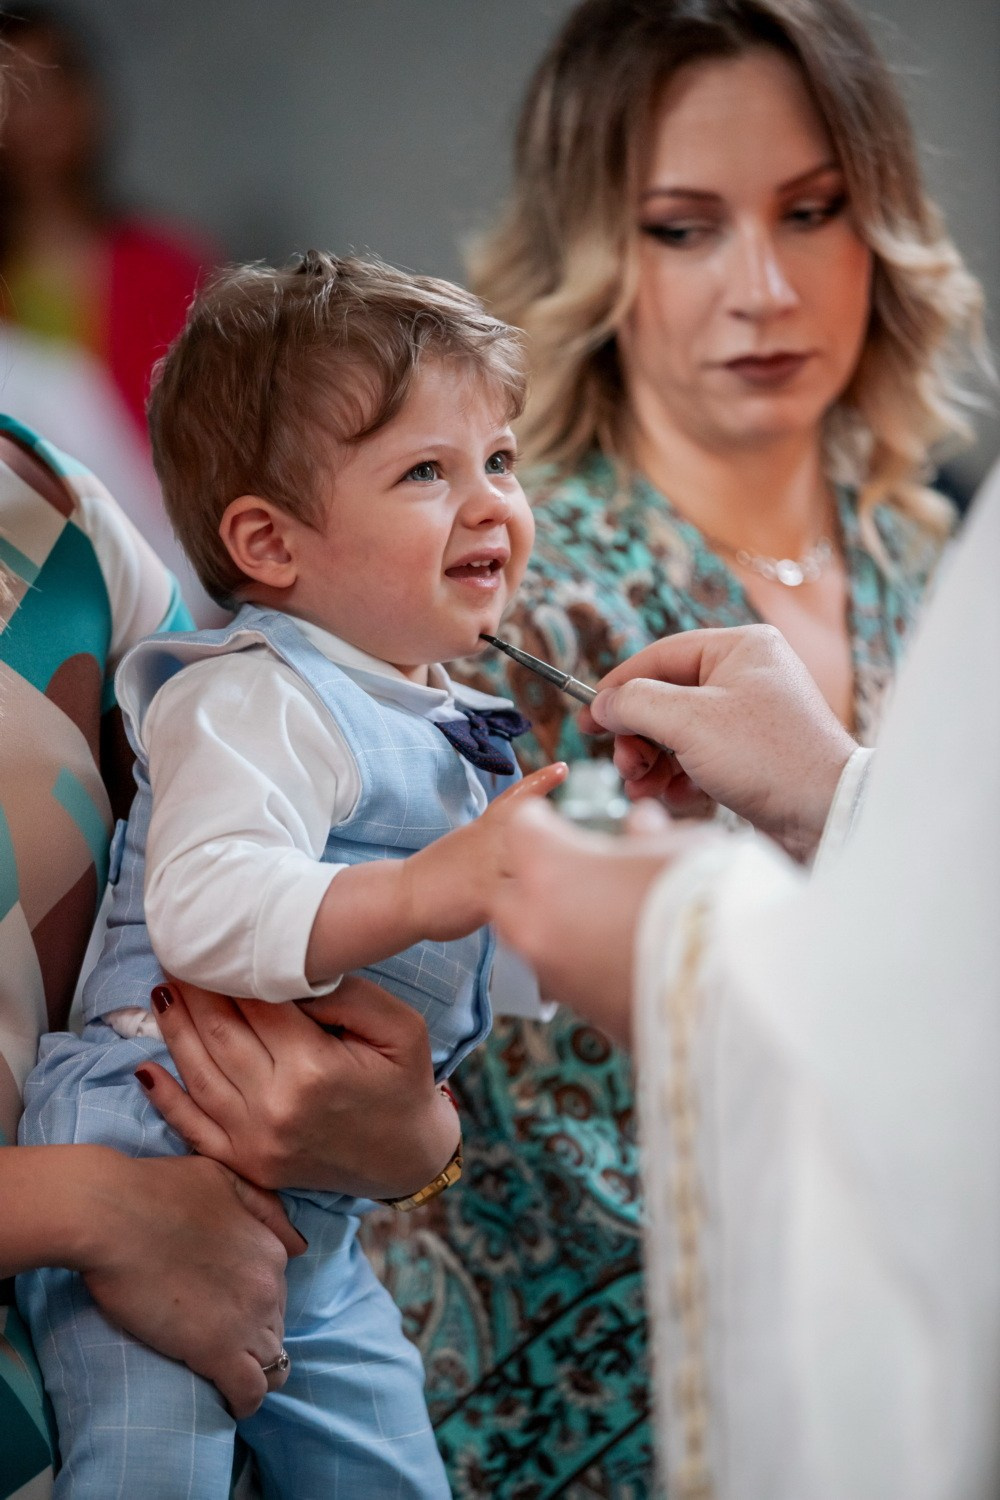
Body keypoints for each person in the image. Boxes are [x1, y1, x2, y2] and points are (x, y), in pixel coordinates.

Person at [375, 0, 983, 1489]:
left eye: (813, 211)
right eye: (684, 228)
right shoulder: (480, 590)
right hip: (560, 1393)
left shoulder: (937, 558)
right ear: (598, 254)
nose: (764, 288)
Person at [17, 250, 565, 1499]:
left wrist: (601, 858)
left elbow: (495, 972)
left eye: (500, 459)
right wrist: (431, 888)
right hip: (149, 1138)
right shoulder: (256, 696)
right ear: (267, 542)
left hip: (317, 1213)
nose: (489, 505)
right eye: (425, 472)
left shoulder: (443, 710)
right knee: (149, 1476)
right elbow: (206, 915)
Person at [489, 462, 1000, 1500]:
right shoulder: (555, 587)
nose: (762, 293)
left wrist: (680, 944)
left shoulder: (912, 532)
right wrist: (834, 793)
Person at [0, 4, 222, 621]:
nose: (39, 110)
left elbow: (226, 431)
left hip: (177, 570)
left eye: (55, 81)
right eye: (14, 90)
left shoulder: (168, 261)